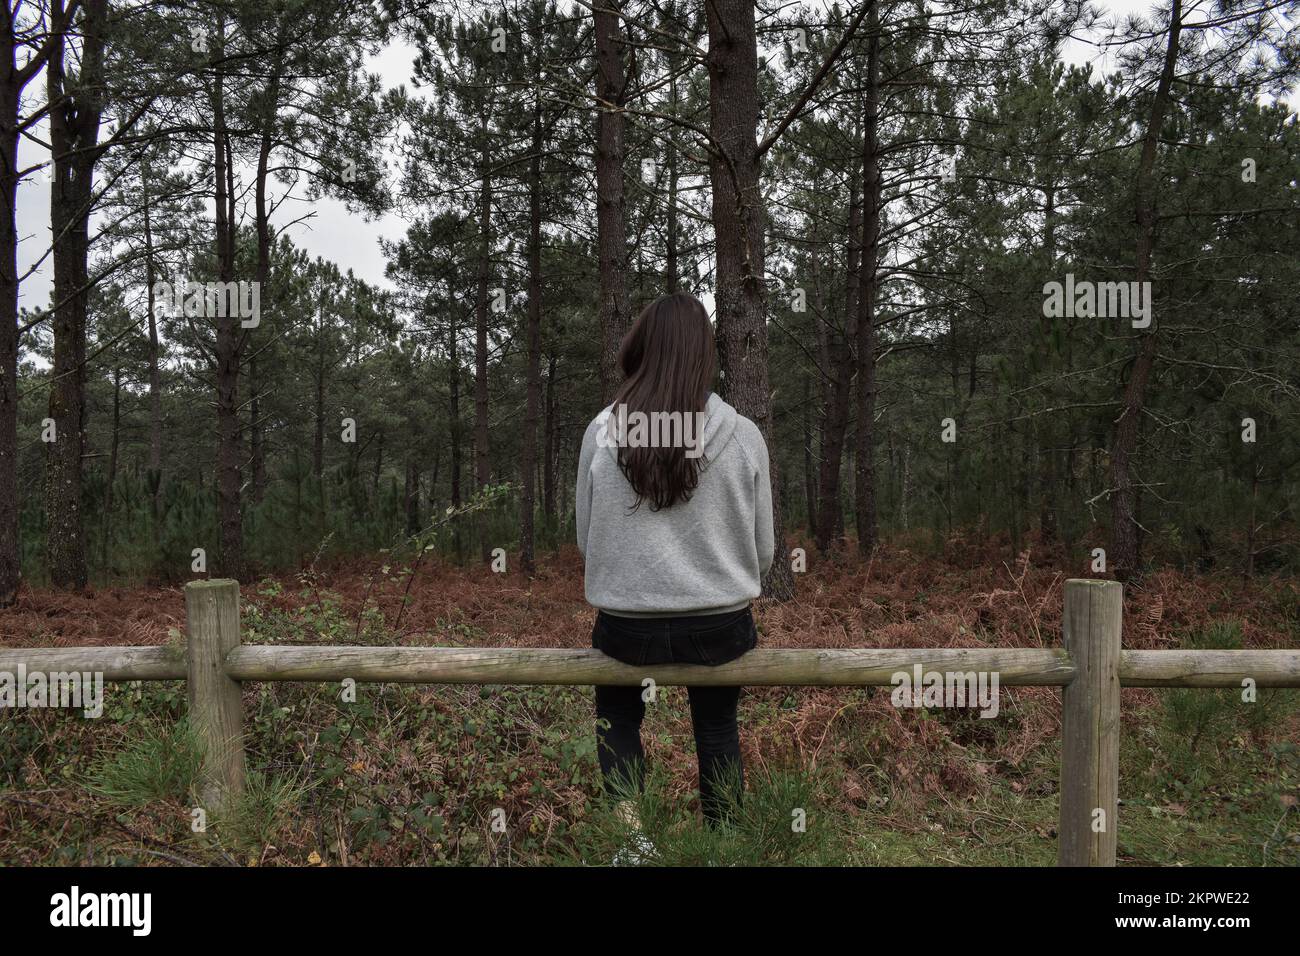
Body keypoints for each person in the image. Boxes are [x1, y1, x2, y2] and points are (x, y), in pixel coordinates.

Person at [575, 291, 775, 833]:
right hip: (719, 626)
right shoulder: (743, 435)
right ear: (704, 354)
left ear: (641, 348)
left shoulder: (601, 432)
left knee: (617, 722)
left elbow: (586, 541)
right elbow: (765, 552)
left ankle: (633, 844)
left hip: (625, 626)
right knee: (717, 731)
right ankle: (725, 841)